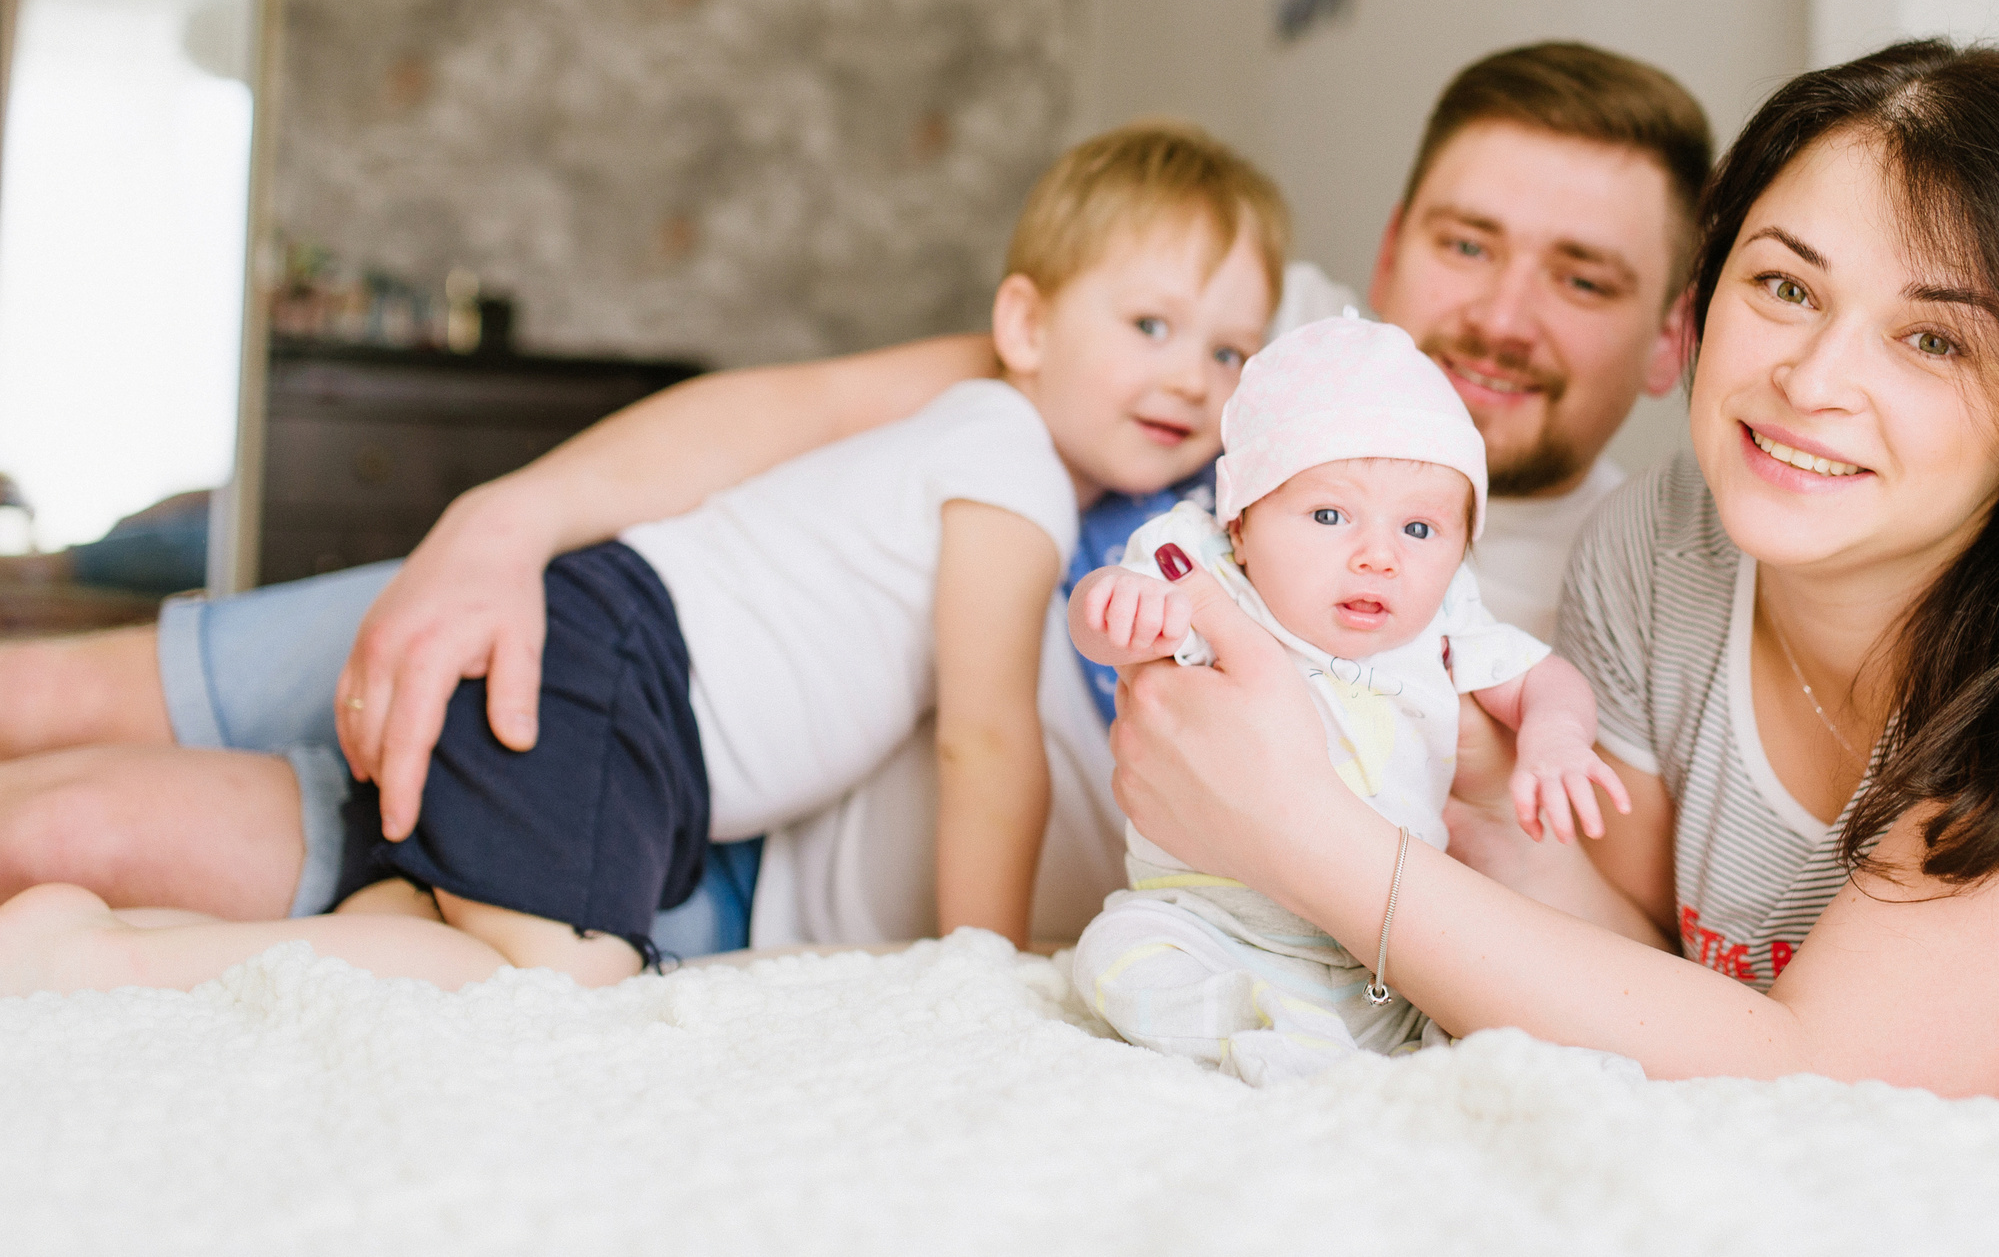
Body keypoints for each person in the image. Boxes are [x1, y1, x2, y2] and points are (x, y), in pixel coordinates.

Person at [0, 41, 1710, 949]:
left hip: (743, 871)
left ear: (1666, 339)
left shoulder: (1606, 596)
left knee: (66, 835)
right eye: (1469, 241)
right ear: (1394, 240)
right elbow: (826, 402)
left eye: (1581, 275)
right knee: (55, 687)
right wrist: (500, 521)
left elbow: (1556, 895)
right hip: (678, 609)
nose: (1497, 306)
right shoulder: (1237, 343)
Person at [1102, 40, 1999, 1099]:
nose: (1810, 377)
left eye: (1932, 337)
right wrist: (1408, 776)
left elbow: (1826, 1082)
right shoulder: (1660, 547)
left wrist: (1302, 833)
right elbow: (1642, 952)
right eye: (1786, 286)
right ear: (1705, 313)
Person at [0, 123, 1284, 991]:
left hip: (631, 714)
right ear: (1024, 323)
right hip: (615, 683)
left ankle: (120, 945)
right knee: (561, 981)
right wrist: (980, 974)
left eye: (1229, 352)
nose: (1189, 375)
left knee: (454, 938)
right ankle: (106, 971)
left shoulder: (990, 444)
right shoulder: (1006, 460)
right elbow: (987, 743)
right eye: (1152, 324)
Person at [1065, 314, 1625, 1082]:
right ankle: (1261, 1026)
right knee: (1114, 956)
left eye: (1421, 527)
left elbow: (1544, 679)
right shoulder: (1209, 573)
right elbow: (1111, 629)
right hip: (1212, 923)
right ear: (1242, 521)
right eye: (1330, 515)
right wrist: (1115, 606)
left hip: (1383, 947)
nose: (1378, 555)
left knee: (1492, 1012)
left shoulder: (1447, 621)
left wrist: (1556, 738)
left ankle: (1357, 1047)